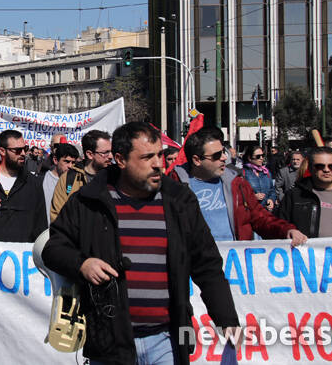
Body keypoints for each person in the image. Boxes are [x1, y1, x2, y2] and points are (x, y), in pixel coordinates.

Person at [42, 122, 240, 365]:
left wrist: (227, 320)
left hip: (167, 341)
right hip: (110, 343)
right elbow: (53, 249)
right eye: (147, 157)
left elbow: (207, 265)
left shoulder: (180, 200)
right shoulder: (88, 202)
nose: (159, 163)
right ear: (120, 159)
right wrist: (82, 264)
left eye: (159, 154)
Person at [171, 127, 307, 245]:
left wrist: (286, 230)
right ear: (197, 160)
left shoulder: (237, 184)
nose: (224, 157)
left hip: (235, 265)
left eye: (223, 152)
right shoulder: (173, 186)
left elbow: (260, 218)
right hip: (193, 268)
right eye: (217, 155)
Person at [0, 129, 47, 242]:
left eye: (24, 149)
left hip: (22, 256)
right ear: (2, 151)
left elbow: (41, 224)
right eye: (17, 150)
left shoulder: (34, 183)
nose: (23, 154)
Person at [50, 130, 112, 221]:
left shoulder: (117, 178)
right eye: (105, 153)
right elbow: (57, 217)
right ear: (90, 154)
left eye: (111, 151)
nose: (110, 156)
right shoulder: (68, 179)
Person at [41, 144, 79, 224]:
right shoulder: (41, 180)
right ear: (55, 160)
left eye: (73, 162)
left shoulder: (78, 182)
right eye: (66, 161)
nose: (70, 166)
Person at [242, 146, 276, 211]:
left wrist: (271, 199)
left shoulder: (266, 172)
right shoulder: (243, 173)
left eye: (262, 155)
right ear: (249, 158)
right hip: (250, 213)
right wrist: (252, 197)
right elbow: (238, 194)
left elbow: (272, 190)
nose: (261, 158)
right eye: (258, 156)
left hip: (265, 213)